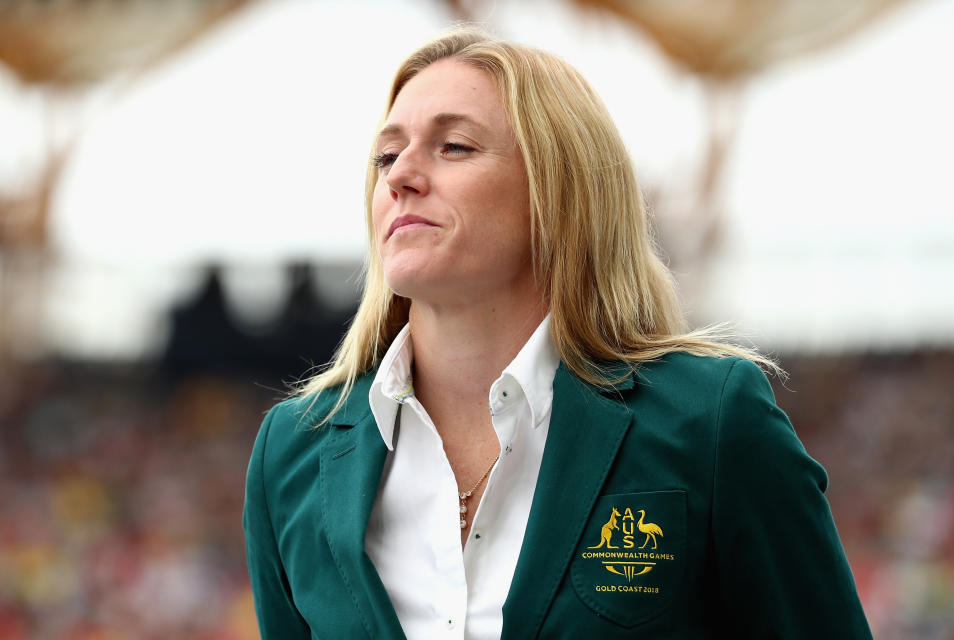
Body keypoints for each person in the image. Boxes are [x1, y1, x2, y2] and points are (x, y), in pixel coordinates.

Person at [243, 28, 872, 639]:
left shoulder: (708, 420)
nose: (400, 175)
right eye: (386, 155)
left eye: (454, 146)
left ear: (559, 188)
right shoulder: (291, 453)